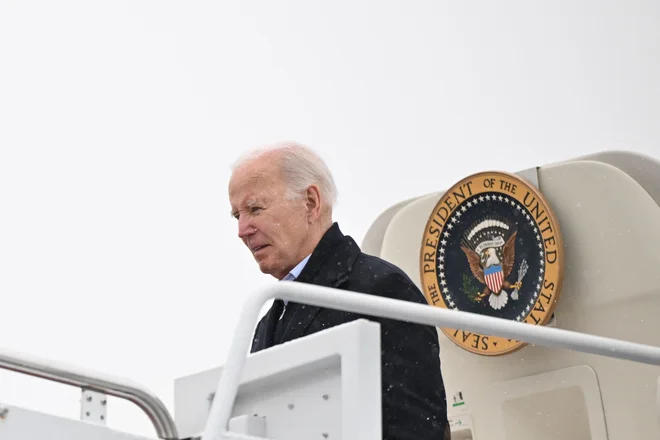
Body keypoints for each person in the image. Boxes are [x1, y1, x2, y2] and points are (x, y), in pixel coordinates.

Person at [228, 142, 450, 440]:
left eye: (255, 208)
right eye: (236, 215)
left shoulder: (379, 291)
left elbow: (414, 428)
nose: (243, 229)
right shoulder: (266, 322)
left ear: (310, 202)